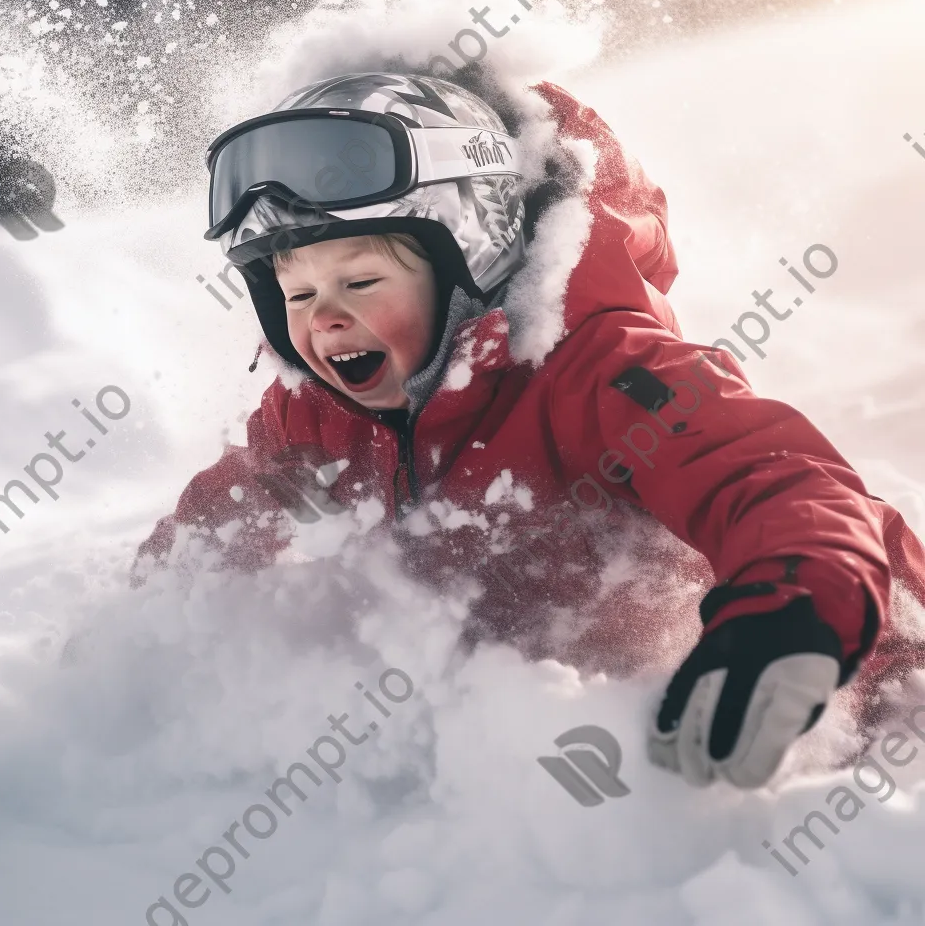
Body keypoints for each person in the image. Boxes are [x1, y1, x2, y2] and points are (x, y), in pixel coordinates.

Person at [134, 70, 925, 789]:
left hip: (846, 664)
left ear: (467, 264)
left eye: (362, 280)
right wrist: (147, 628)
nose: (325, 317)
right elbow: (226, 514)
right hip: (588, 749)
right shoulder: (319, 414)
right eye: (294, 295)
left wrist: (788, 608)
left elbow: (767, 477)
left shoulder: (603, 371)